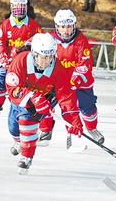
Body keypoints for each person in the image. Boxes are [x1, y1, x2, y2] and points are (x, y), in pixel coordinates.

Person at [5, 33, 83, 174]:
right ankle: (19, 141)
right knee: (13, 128)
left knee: (27, 123)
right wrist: (33, 96)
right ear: (34, 54)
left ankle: (26, 157)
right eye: (43, 56)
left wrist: (74, 122)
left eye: (49, 56)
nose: (46, 61)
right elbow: (12, 88)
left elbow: (66, 96)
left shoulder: (58, 68)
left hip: (42, 103)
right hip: (20, 100)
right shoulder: (20, 61)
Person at [37, 9, 104, 147]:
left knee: (88, 108)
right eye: (62, 26)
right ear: (57, 26)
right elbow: (37, 45)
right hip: (57, 82)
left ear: (74, 25)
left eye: (69, 26)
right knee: (45, 103)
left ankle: (92, 128)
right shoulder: (49, 38)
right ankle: (46, 130)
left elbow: (85, 62)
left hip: (80, 83)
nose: (66, 30)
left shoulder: (80, 40)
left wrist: (76, 77)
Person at [0, 0, 42, 114]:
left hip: (24, 63)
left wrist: (25, 46)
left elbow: (40, 40)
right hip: (7, 62)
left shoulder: (33, 25)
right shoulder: (5, 24)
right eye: (16, 7)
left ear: (26, 8)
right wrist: (3, 56)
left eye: (21, 7)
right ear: (11, 8)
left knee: (22, 84)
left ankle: (23, 105)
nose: (19, 10)